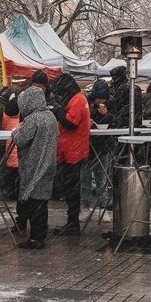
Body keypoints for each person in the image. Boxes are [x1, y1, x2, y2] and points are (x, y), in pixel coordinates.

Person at [10, 86, 59, 249]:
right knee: (41, 200)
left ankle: (36, 239)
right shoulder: (50, 116)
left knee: (33, 200)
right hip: (48, 163)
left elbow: (21, 140)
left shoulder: (33, 119)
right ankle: (40, 235)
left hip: (34, 164)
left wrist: (15, 131)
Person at [50, 73, 91, 236]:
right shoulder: (78, 98)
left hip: (73, 151)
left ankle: (73, 224)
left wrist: (57, 111)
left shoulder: (77, 100)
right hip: (72, 149)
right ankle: (71, 222)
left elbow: (71, 123)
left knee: (72, 189)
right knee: (71, 188)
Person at [84, 80, 115, 218]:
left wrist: (106, 115)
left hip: (103, 146)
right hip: (87, 146)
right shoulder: (86, 102)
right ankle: (85, 207)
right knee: (85, 179)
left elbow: (116, 122)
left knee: (102, 179)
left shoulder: (111, 103)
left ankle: (104, 209)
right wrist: (88, 119)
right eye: (99, 98)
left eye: (103, 98)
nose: (101, 100)